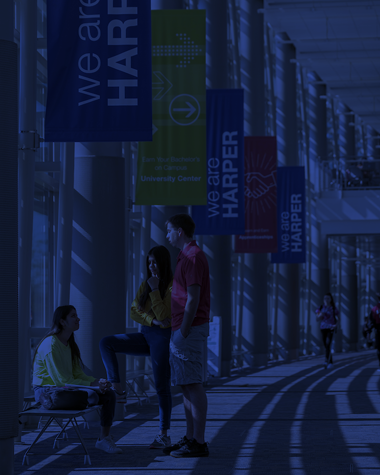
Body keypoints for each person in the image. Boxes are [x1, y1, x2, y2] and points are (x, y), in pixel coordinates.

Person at [100, 245, 173, 449]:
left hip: (162, 338)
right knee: (107, 342)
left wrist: (156, 290)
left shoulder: (171, 287)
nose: (151, 266)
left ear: (163, 263)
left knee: (161, 386)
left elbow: (164, 315)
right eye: (149, 263)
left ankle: (163, 434)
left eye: (155, 262)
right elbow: (134, 312)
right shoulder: (146, 284)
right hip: (146, 333)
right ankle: (116, 386)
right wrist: (152, 320)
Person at [32, 305, 122, 454]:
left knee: (108, 394)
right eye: (73, 316)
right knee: (92, 395)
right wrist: (91, 387)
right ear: (62, 322)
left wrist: (96, 382)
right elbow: (61, 380)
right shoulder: (51, 345)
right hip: (47, 390)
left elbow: (78, 374)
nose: (78, 318)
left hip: (65, 387)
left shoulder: (69, 344)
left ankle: (103, 439)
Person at [163, 213, 210, 458]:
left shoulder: (192, 257)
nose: (167, 235)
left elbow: (193, 298)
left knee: (193, 384)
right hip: (183, 328)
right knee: (186, 385)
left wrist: (183, 331)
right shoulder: (186, 256)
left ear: (180, 231)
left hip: (188, 329)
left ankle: (199, 442)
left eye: (169, 230)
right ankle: (191, 437)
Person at [316, 293, 339, 369]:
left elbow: (338, 317)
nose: (326, 300)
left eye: (328, 298)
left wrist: (336, 324)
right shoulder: (320, 307)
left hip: (331, 328)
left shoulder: (333, 308)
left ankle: (326, 361)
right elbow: (317, 318)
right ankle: (331, 362)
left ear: (330, 299)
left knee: (328, 343)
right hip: (323, 328)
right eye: (325, 298)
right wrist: (321, 313)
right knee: (326, 346)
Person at [368, 292, 380, 370]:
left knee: (379, 349)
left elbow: (371, 321)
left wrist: (370, 331)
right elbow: (372, 321)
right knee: (379, 349)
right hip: (378, 330)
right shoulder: (374, 309)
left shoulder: (374, 309)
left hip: (378, 330)